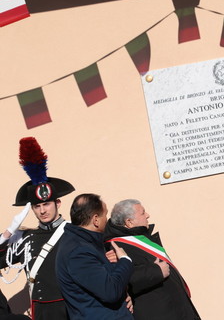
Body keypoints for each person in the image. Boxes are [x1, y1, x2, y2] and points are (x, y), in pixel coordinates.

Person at [0, 137, 75, 320]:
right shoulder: (27, 239)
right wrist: (8, 233)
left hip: (73, 310)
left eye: (47, 204)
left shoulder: (75, 232)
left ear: (58, 203)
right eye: (36, 206)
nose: (42, 211)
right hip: (42, 314)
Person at [103, 199, 201, 320]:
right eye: (143, 213)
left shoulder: (140, 239)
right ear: (129, 222)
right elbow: (123, 279)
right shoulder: (116, 248)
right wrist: (156, 271)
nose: (148, 215)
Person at [55, 193, 134, 320]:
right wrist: (125, 261)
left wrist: (122, 292)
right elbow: (110, 292)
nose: (107, 219)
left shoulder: (86, 242)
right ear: (95, 219)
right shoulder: (78, 251)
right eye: (105, 215)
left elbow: (100, 283)